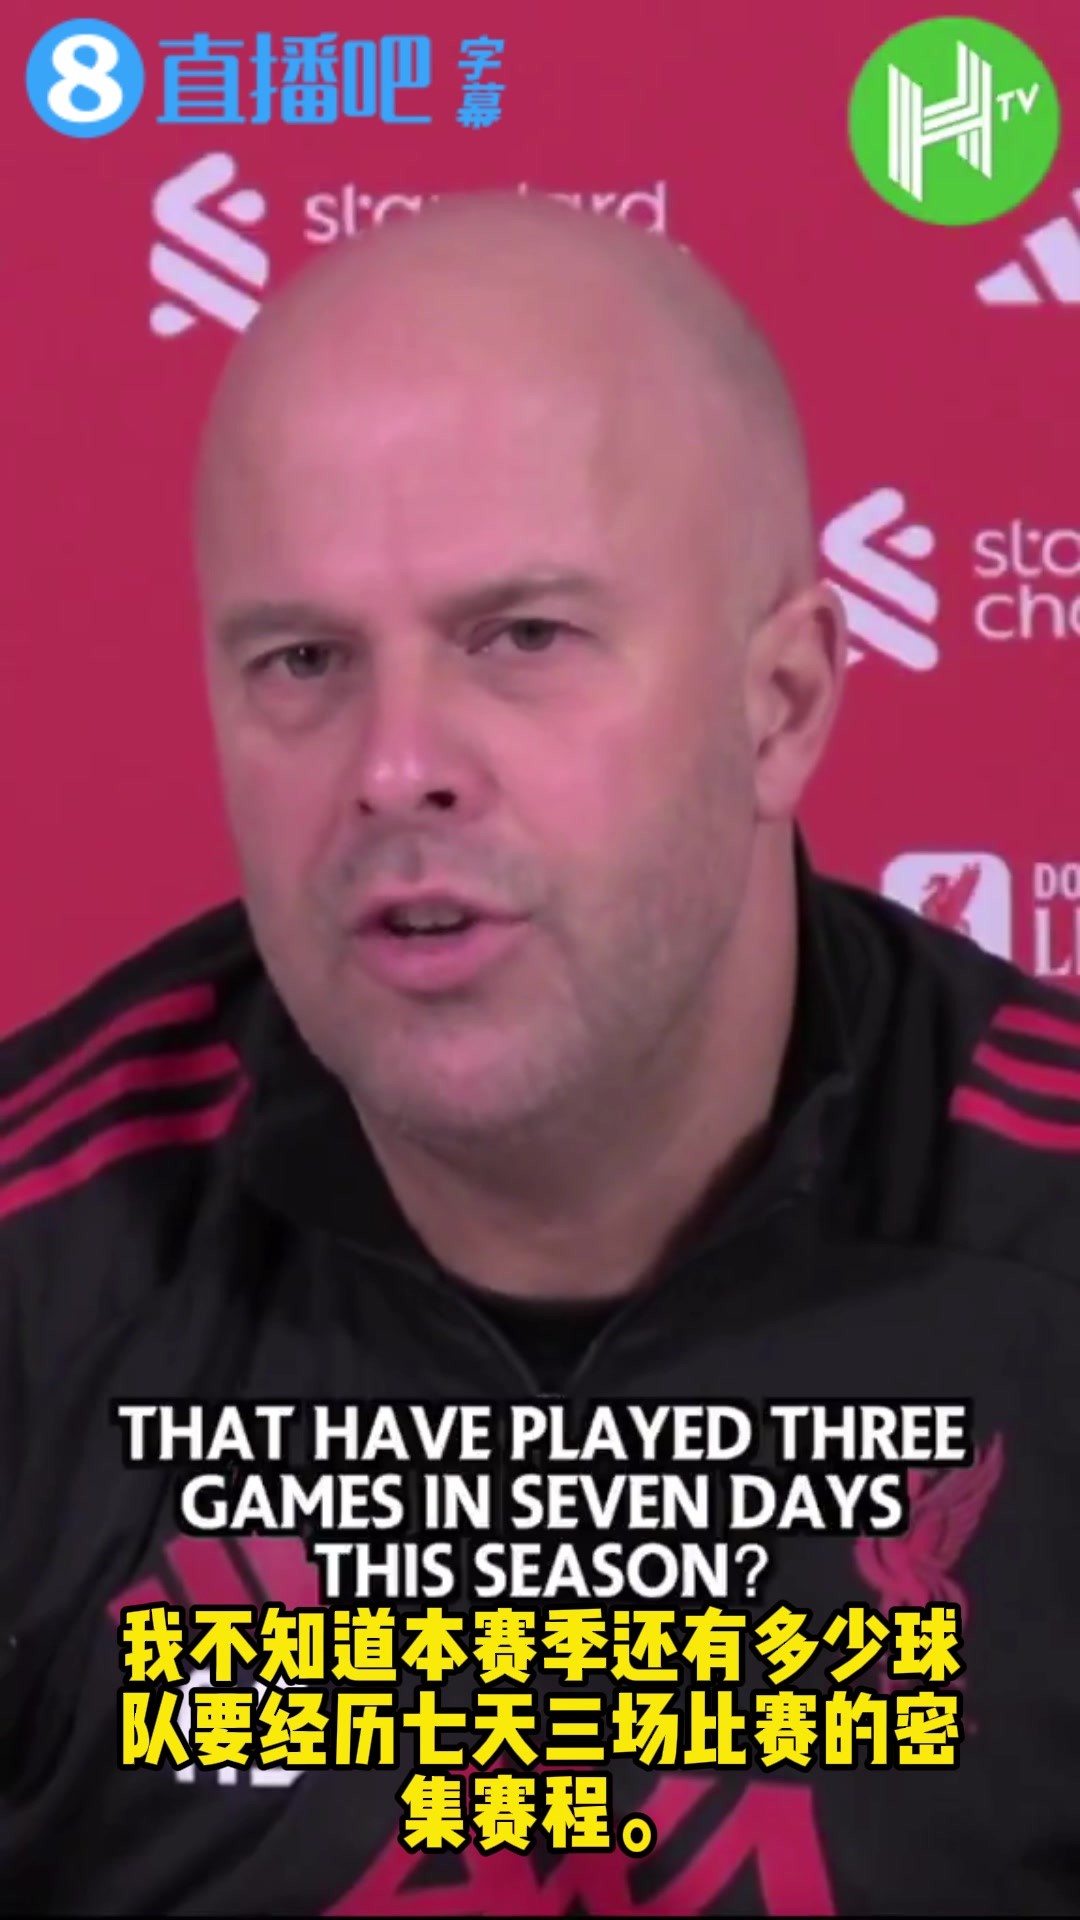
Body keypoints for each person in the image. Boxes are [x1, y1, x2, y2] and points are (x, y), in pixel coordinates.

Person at [1, 189, 1078, 1919]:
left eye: (523, 638)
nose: (395, 765)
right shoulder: (38, 1276)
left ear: (783, 704)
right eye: (303, 659)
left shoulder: (1044, 1238)